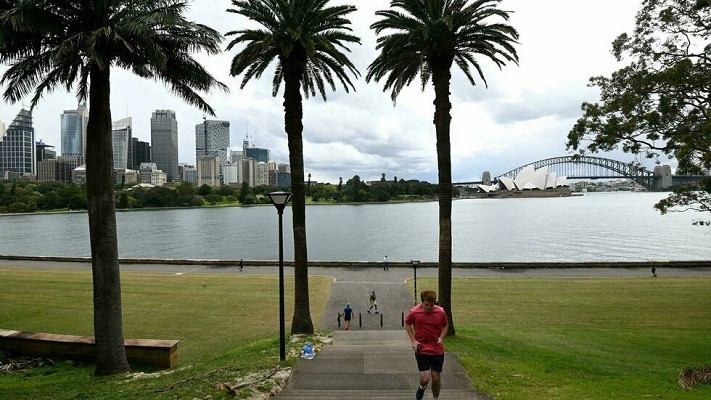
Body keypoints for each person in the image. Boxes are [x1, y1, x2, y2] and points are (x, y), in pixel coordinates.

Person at [405, 290, 449, 400]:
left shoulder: (441, 312)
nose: (429, 307)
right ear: (422, 302)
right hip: (422, 349)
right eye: (426, 305)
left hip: (437, 350)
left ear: (435, 302)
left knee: (436, 378)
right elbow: (407, 324)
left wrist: (441, 338)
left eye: (431, 305)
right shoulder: (414, 312)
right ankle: (421, 388)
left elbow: (446, 325)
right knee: (425, 378)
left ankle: (435, 398)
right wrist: (413, 341)